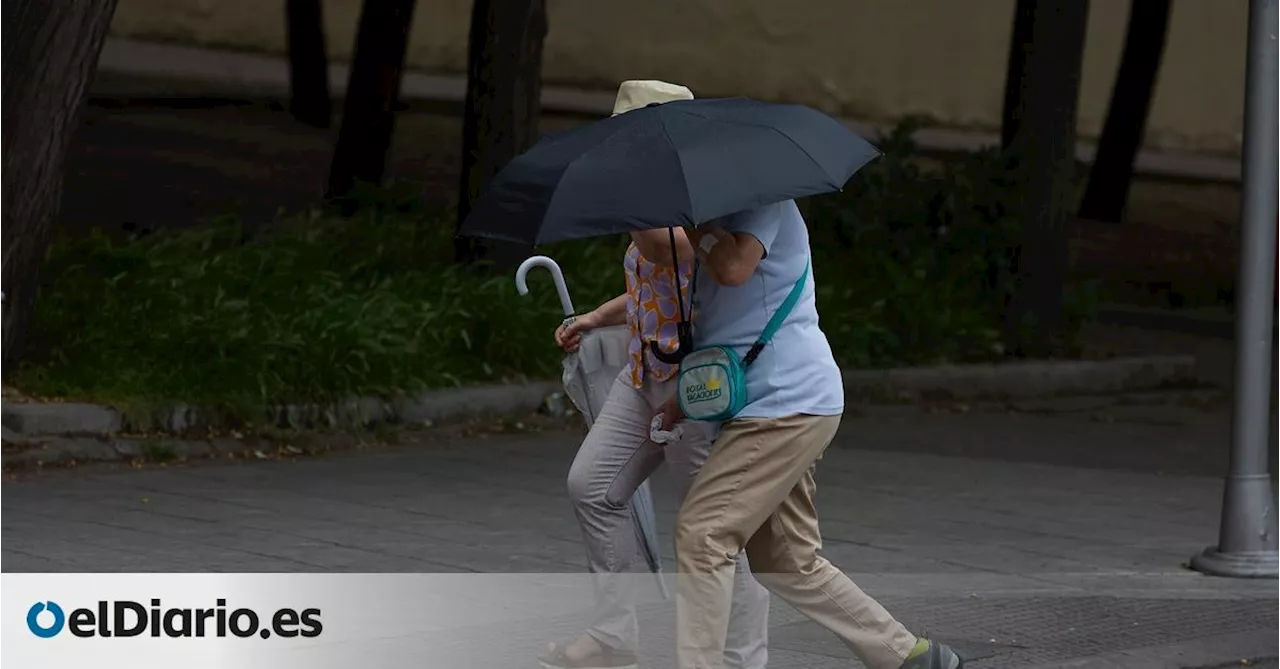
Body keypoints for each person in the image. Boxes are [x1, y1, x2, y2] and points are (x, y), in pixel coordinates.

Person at [658, 200, 964, 669]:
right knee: (786, 560)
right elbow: (731, 326)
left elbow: (735, 267)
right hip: (771, 403)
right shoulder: (720, 217)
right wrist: (683, 399)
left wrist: (695, 226)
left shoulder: (767, 201)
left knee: (704, 535)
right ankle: (908, 656)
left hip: (784, 403)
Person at [537, 80, 771, 669]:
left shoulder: (695, 202)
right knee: (591, 486)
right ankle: (615, 635)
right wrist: (596, 317)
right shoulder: (649, 195)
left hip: (695, 388)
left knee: (713, 531)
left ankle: (742, 658)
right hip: (642, 376)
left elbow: (669, 254)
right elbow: (648, 284)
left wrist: (628, 186)